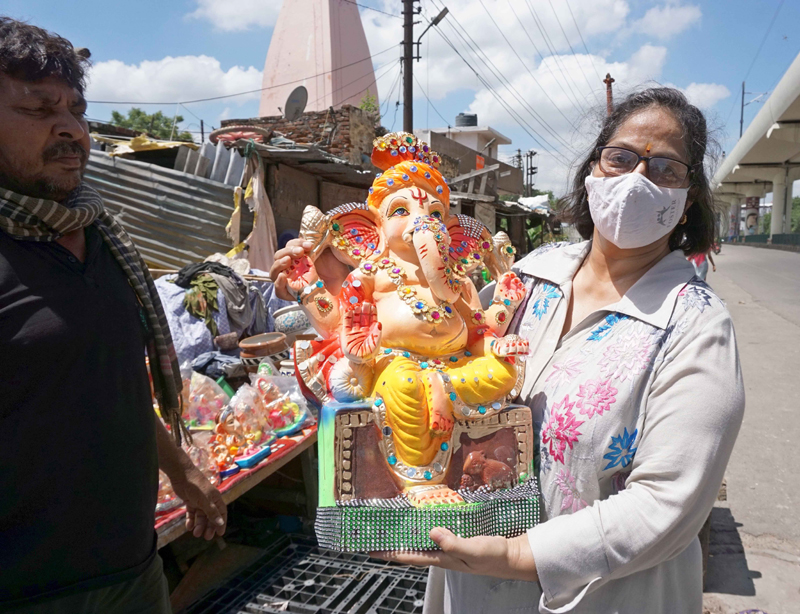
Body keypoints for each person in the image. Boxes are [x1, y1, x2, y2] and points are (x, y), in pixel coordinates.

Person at [278, 87, 745, 613]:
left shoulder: (696, 326)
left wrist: (516, 554)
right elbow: (441, 336)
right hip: (473, 579)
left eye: (665, 168)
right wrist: (321, 284)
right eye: (621, 158)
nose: (637, 179)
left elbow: (668, 506)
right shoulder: (532, 275)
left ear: (688, 200)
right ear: (592, 171)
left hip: (603, 596)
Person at [0, 18, 226, 613]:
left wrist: (181, 470)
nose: (70, 129)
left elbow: (110, 381)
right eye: (39, 109)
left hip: (132, 566)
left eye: (76, 110)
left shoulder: (100, 237)